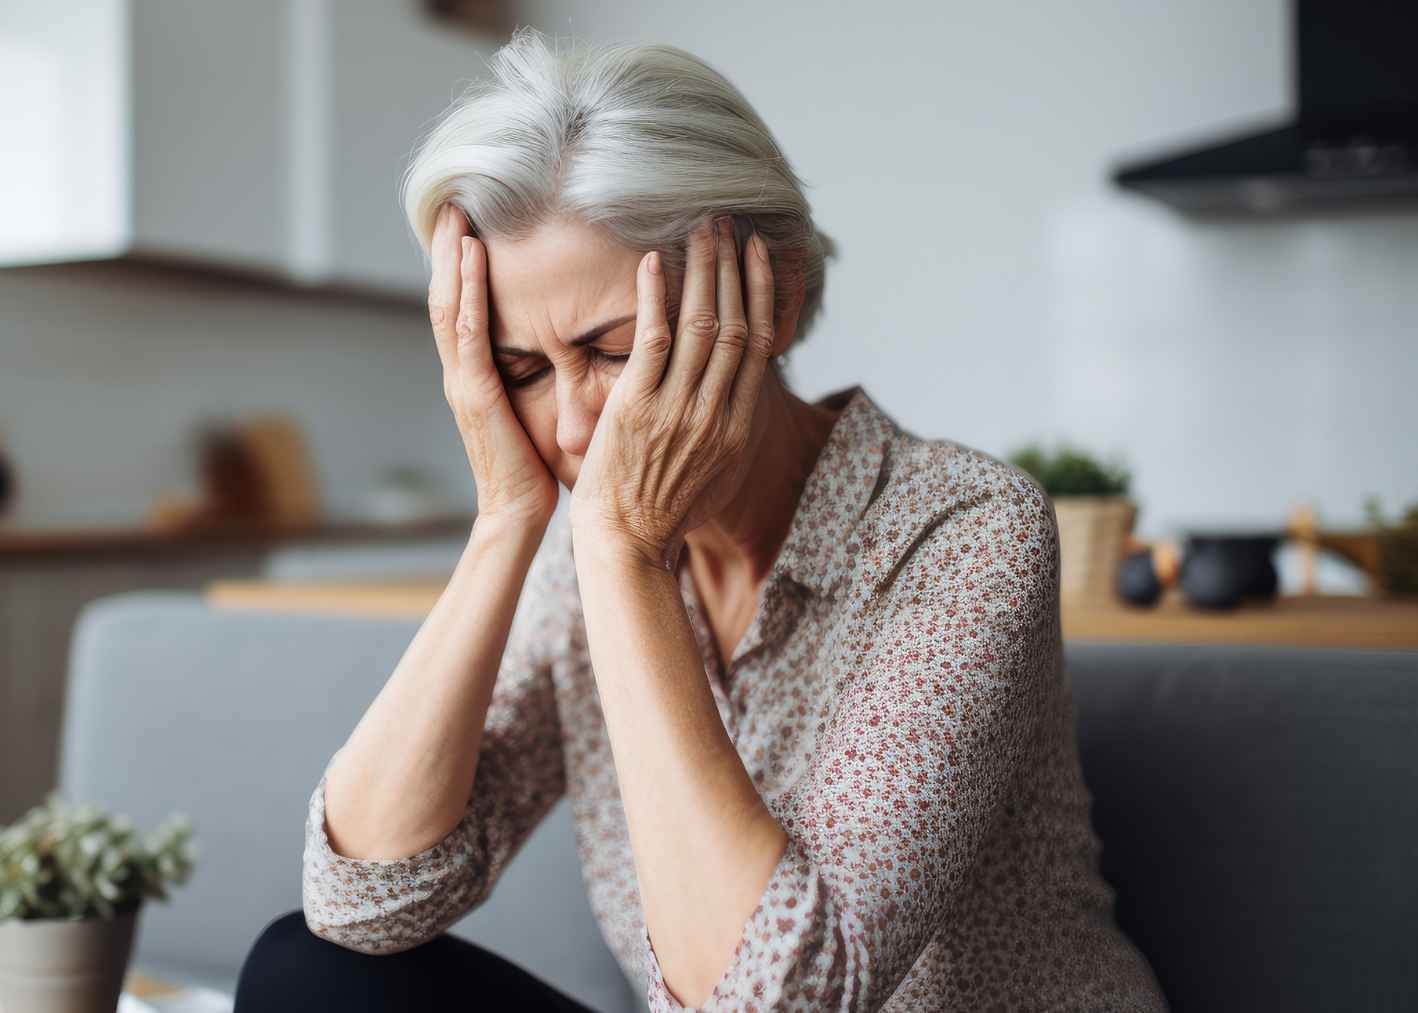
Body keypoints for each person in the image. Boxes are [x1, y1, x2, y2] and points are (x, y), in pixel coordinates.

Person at [237, 27, 1169, 1013]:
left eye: (613, 349)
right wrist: (509, 516)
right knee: (307, 971)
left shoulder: (965, 528)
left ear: (769, 302)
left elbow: (784, 998)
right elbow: (363, 899)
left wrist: (621, 553)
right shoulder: (583, 553)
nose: (575, 420)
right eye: (521, 372)